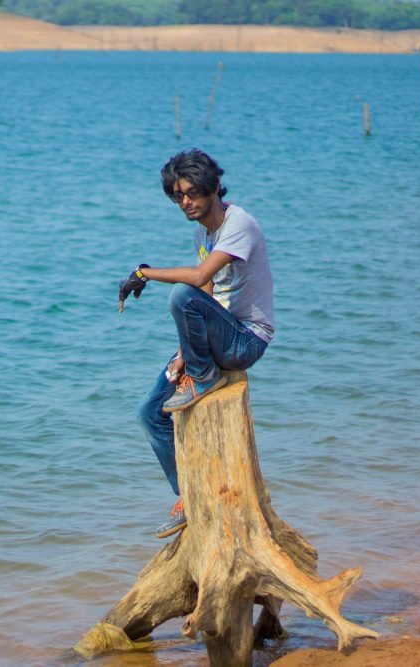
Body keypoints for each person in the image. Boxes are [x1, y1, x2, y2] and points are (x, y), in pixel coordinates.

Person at [118, 149, 275, 539]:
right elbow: (206, 293)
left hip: (246, 340)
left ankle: (205, 379)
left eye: (191, 192)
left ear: (213, 188)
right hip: (217, 334)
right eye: (177, 196)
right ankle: (188, 495)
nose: (185, 202)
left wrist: (144, 272)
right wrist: (183, 354)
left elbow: (199, 277)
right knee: (150, 413)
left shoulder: (239, 224)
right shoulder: (202, 233)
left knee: (179, 296)